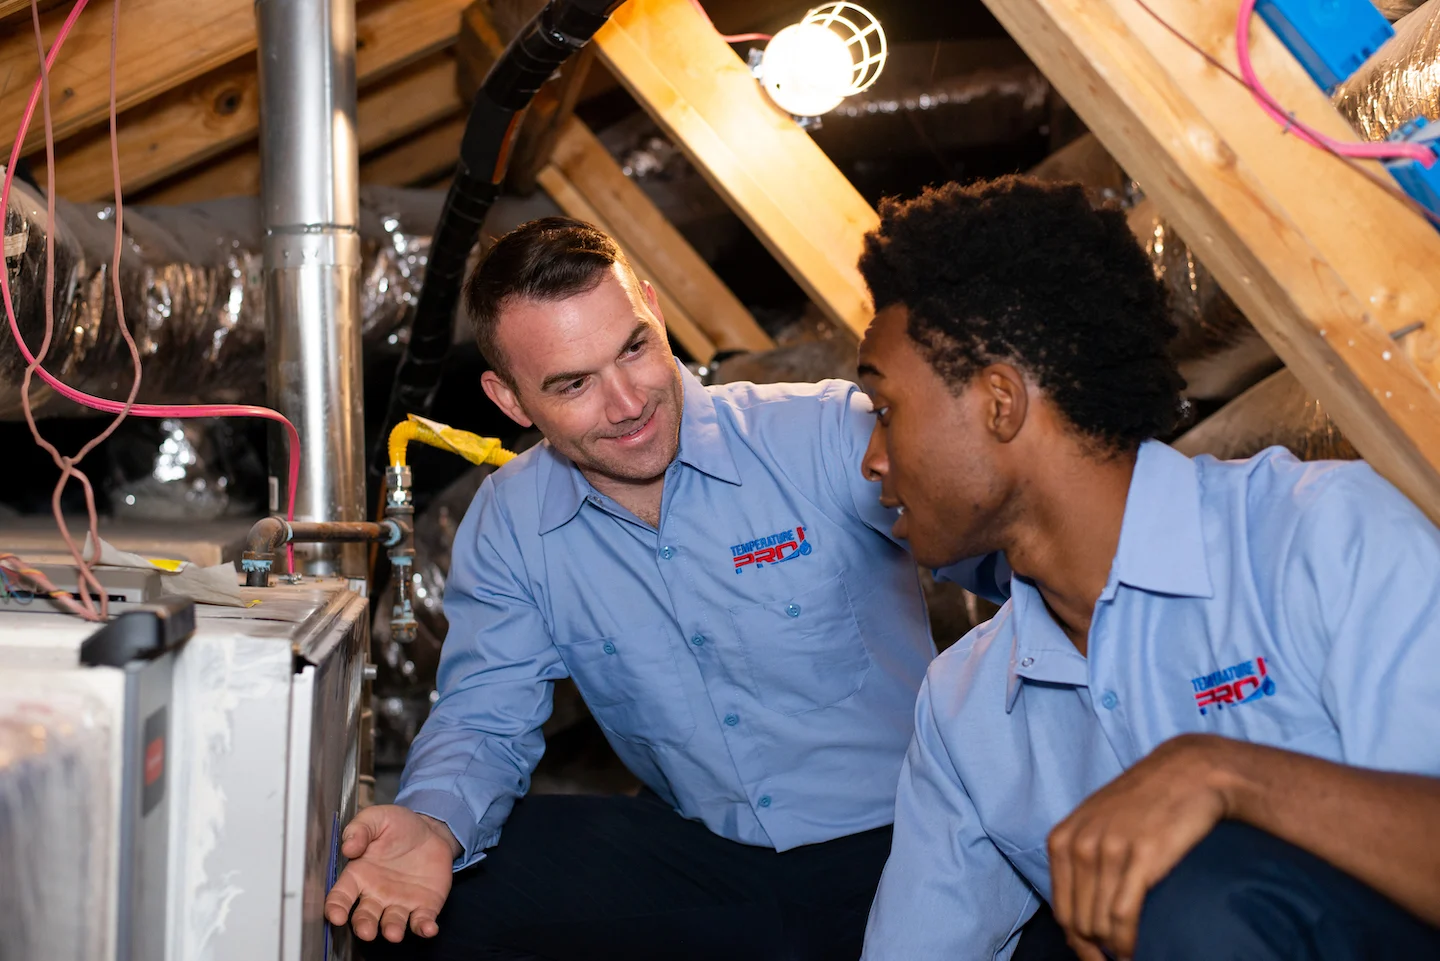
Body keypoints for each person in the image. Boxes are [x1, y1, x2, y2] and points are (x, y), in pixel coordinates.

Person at [324, 217, 1016, 961]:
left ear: (653, 309)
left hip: (910, 838)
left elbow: (1025, 561)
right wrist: (432, 823)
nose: (626, 403)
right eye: (574, 384)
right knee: (431, 903)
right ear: (510, 399)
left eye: (633, 348)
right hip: (706, 852)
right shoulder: (508, 520)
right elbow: (484, 718)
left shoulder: (825, 434)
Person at [855, 177, 1440, 961]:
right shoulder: (964, 707)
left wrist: (1229, 775)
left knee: (1196, 892)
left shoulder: (1318, 534)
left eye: (885, 410)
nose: (873, 459)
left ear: (1000, 401)